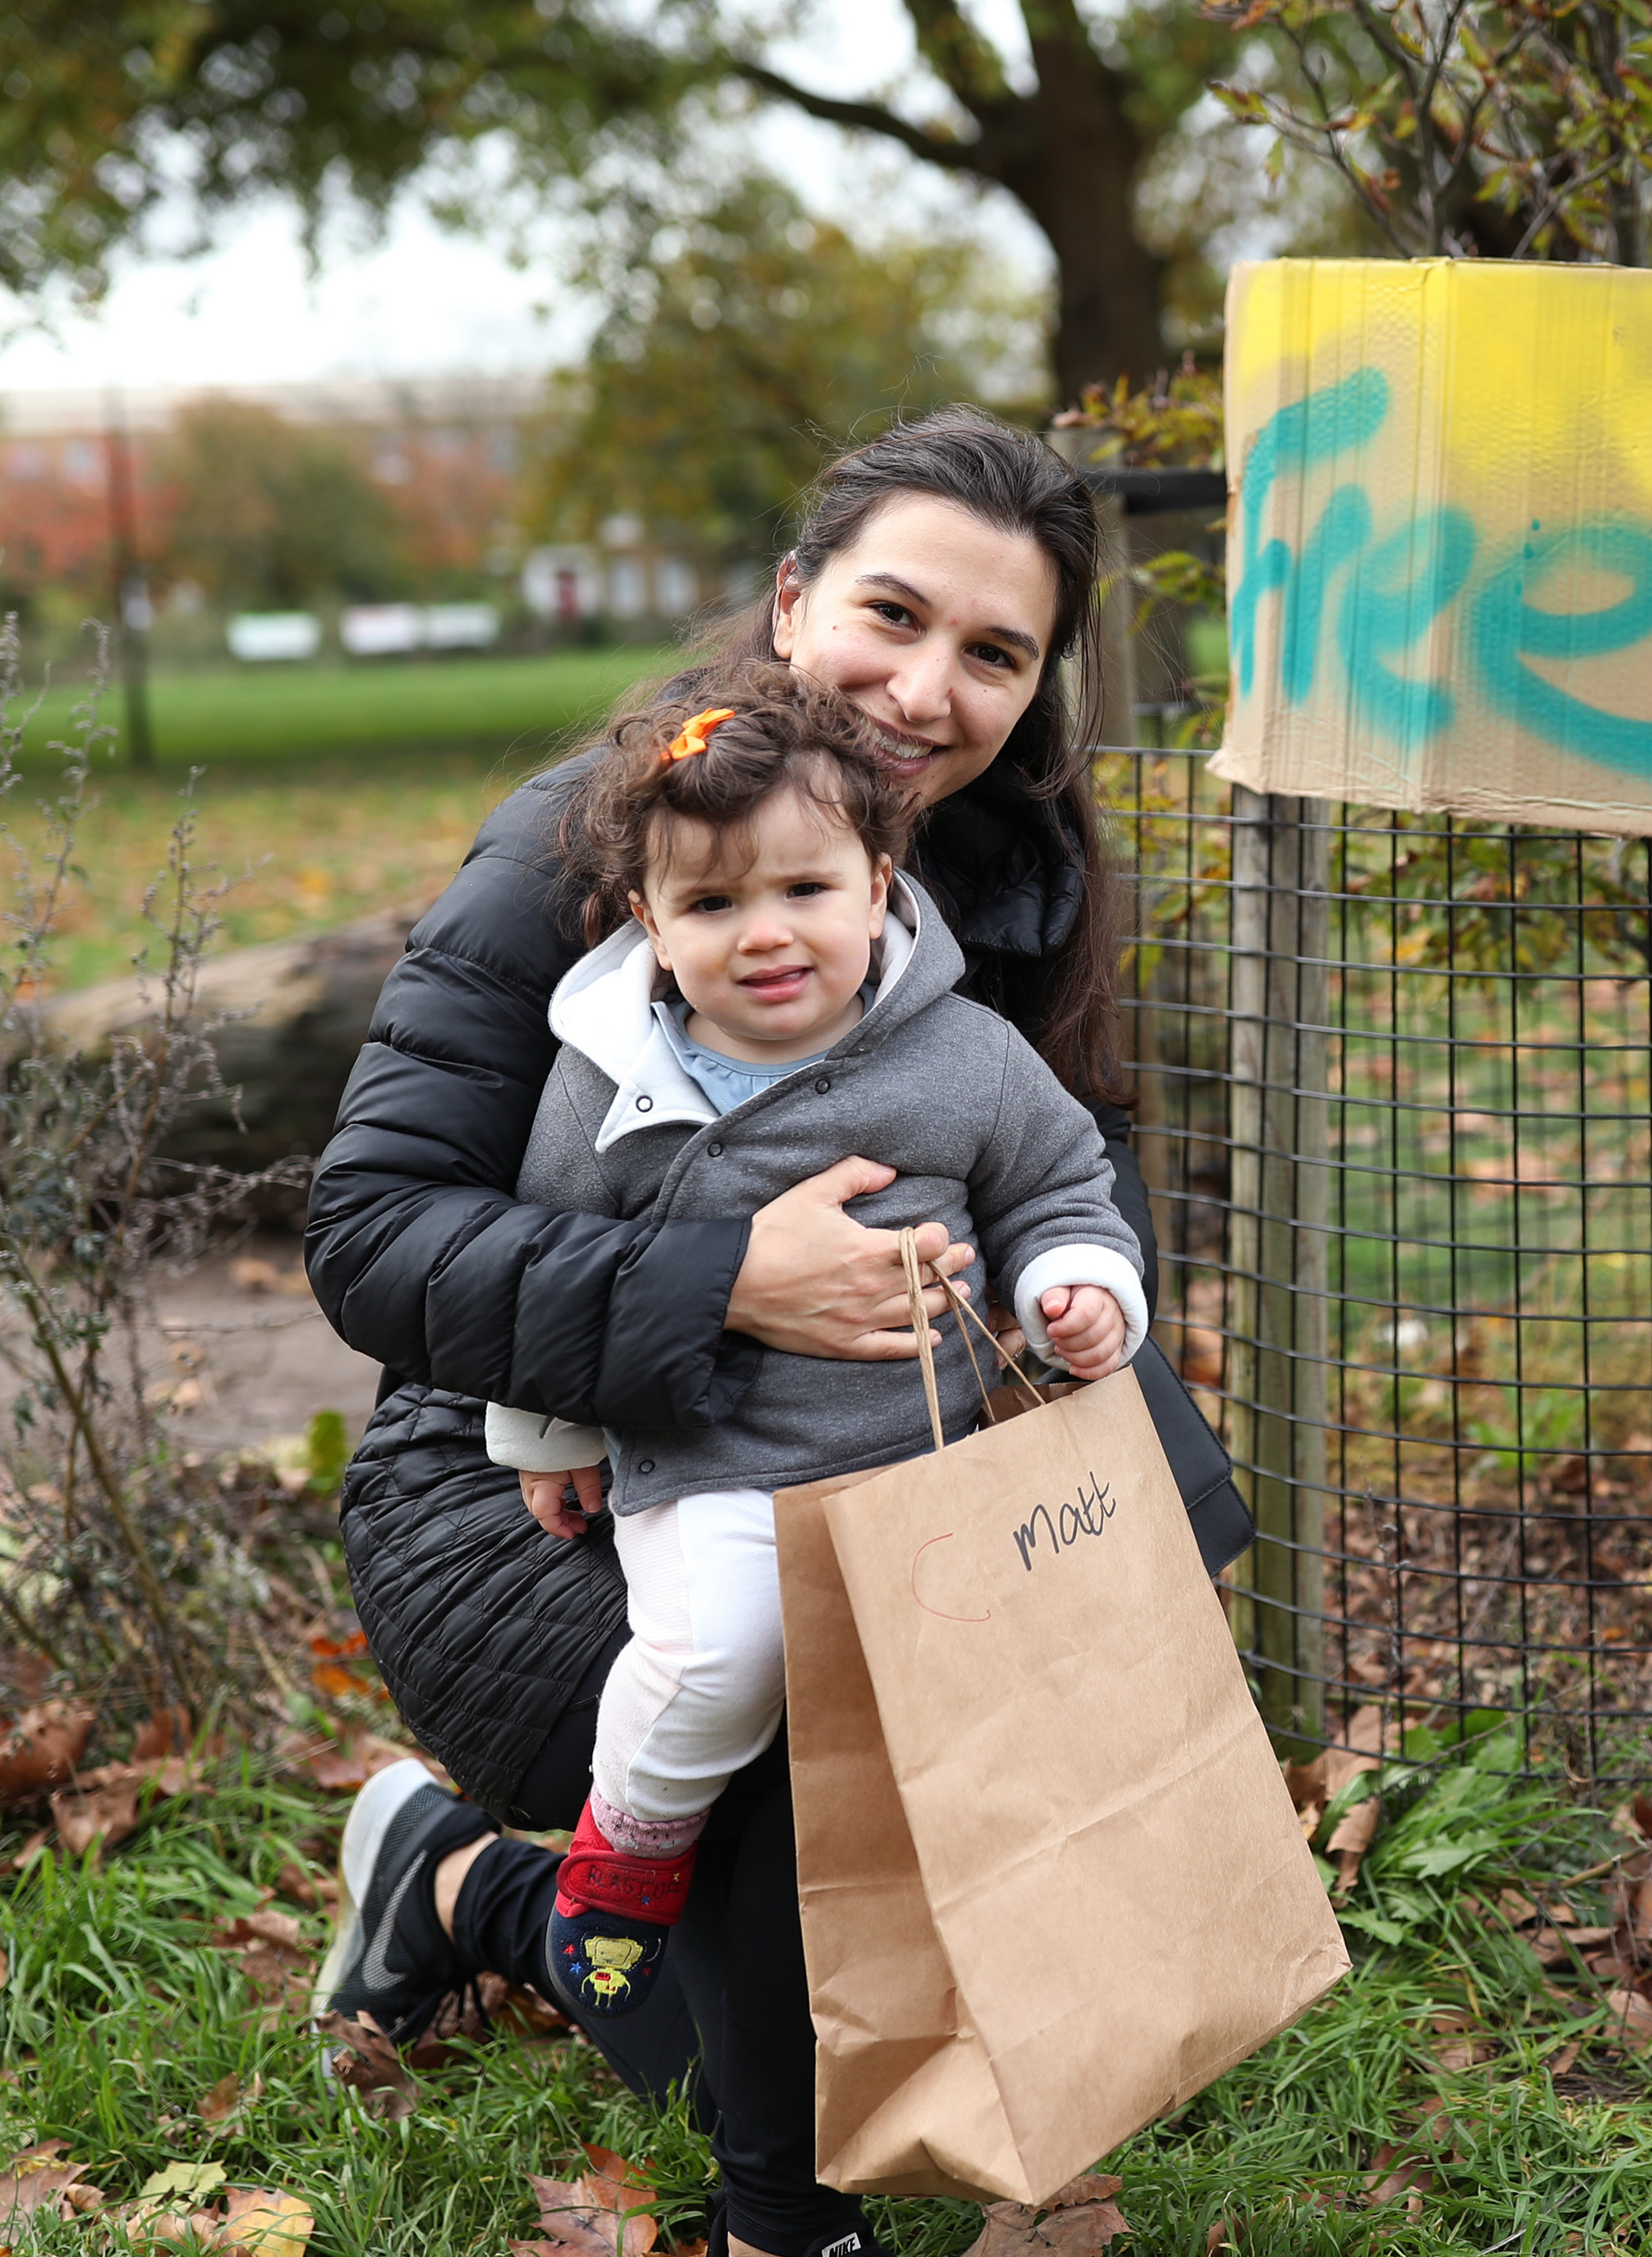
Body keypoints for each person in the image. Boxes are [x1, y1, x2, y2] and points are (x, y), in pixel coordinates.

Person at [304, 407, 1145, 2257]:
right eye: (893, 615)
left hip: (879, 1463)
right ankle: (776, 2207)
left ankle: (463, 1892)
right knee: (785, 1808)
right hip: (542, 1488)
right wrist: (723, 1283)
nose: (930, 688)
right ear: (790, 603)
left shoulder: (1004, 884)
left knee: (1122, 1559)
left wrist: (1069, 1319)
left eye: (994, 651)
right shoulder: (602, 840)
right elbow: (370, 1236)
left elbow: (1071, 1171)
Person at [481, 667, 1144, 2021]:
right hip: (718, 1461)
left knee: (1008, 1690)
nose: (765, 935)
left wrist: (1077, 1283)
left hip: (940, 1456)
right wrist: (552, 1434)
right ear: (650, 926)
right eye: (712, 904)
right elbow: (550, 1250)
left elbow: (1058, 1184)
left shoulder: (960, 1056)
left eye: (804, 891)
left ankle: (1039, 1941)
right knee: (723, 1647)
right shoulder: (609, 1079)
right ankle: (626, 1853)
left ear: (881, 881)